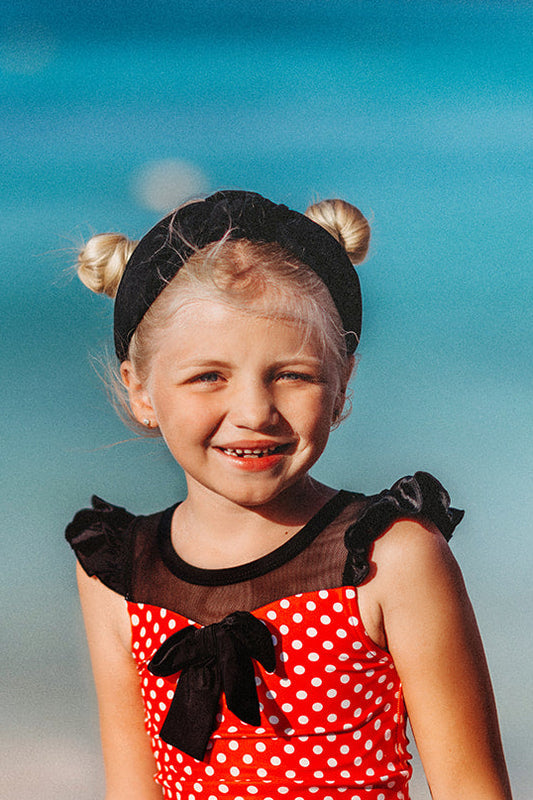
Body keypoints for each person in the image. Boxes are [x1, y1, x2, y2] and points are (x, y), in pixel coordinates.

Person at [66, 190, 512, 800]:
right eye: (208, 377)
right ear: (141, 389)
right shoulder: (117, 574)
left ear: (342, 383)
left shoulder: (392, 559)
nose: (254, 412)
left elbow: (472, 787)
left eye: (292, 375)